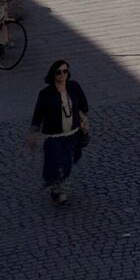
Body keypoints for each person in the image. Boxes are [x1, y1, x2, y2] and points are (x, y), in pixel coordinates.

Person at [27, 61, 91, 205]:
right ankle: (59, 191)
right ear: (53, 74)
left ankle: (58, 188)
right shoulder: (45, 94)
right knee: (57, 164)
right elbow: (38, 115)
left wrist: (83, 120)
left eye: (65, 71)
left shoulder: (74, 87)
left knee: (67, 164)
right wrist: (33, 133)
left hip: (72, 134)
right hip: (54, 137)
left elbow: (83, 106)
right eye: (59, 72)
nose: (63, 75)